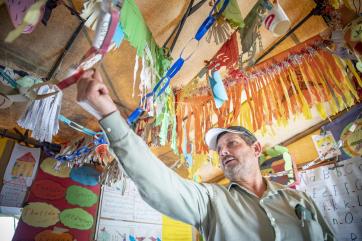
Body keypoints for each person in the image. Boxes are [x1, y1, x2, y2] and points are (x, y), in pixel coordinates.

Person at [77, 69, 335, 241]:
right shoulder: (211, 200)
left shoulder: (299, 200)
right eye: (219, 149)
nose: (223, 152)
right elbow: (156, 181)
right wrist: (108, 115)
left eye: (231, 143)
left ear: (256, 148)